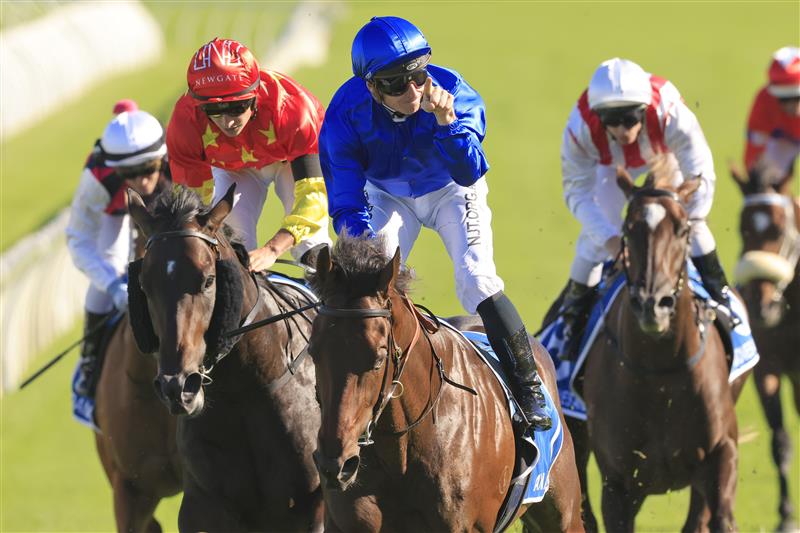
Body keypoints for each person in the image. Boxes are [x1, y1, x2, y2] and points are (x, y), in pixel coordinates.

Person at [319, 16, 551, 431]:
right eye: (394, 83)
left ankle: (528, 387)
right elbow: (346, 199)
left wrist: (447, 123)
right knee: (370, 278)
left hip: (450, 190)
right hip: (387, 194)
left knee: (476, 279)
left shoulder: (454, 93)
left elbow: (469, 172)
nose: (412, 92)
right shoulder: (344, 114)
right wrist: (360, 251)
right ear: (370, 86)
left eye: (418, 76)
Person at [557, 57, 730, 358]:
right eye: (611, 120)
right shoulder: (580, 128)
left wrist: (685, 220)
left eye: (630, 118)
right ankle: (571, 327)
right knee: (593, 242)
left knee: (697, 227)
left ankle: (725, 302)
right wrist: (611, 241)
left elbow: (701, 175)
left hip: (664, 159)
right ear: (598, 116)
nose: (623, 130)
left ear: (645, 110)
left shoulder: (670, 112)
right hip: (609, 168)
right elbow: (577, 192)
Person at [166, 38, 331, 272]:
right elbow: (194, 209)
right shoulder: (185, 122)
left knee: (311, 247)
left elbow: (314, 199)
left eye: (237, 107)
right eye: (213, 110)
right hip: (235, 169)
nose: (228, 121)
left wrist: (273, 249)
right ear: (198, 105)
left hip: (289, 162)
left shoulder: (295, 109)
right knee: (232, 251)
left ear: (255, 95)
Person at [66, 106, 168, 404]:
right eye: (129, 174)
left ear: (162, 156)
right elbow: (78, 240)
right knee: (109, 264)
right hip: (116, 212)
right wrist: (112, 286)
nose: (141, 181)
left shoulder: (178, 158)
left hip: (168, 205)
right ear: (114, 168)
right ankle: (90, 358)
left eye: (149, 168)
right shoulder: (98, 178)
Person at [744, 46, 800, 176]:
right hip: (784, 139)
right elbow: (753, 158)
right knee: (763, 175)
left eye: (797, 97)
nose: (791, 106)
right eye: (784, 99)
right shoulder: (764, 102)